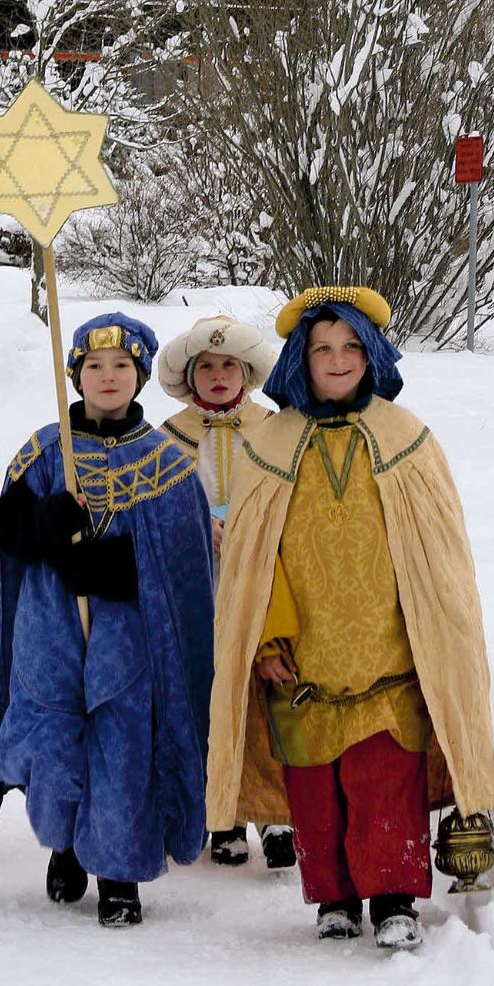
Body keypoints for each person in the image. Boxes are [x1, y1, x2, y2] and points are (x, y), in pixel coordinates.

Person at [206, 285, 494, 950]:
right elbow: (256, 557)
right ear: (297, 360)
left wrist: (431, 630)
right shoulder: (269, 443)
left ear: (371, 356)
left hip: (387, 646)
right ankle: (333, 898)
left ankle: (395, 897)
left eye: (349, 347)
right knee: (316, 790)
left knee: (384, 779)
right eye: (320, 349)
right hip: (301, 653)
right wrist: (267, 635)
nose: (336, 360)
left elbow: (437, 553)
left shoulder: (407, 436)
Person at [0, 312, 214, 927]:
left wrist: (115, 567)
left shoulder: (168, 465)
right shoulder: (45, 451)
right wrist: (46, 523)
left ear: (140, 376)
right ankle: (65, 844)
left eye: (121, 366)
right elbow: (5, 533)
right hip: (49, 633)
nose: (107, 376)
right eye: (94, 366)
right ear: (74, 375)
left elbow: (183, 570)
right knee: (53, 743)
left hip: (127, 638)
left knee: (122, 746)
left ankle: (119, 871)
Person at [156, 313, 295, 872]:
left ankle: (279, 815)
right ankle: (226, 815)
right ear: (190, 377)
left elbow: (292, 500)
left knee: (269, 691)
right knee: (213, 692)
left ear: (247, 373)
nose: (218, 376)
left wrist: (250, 526)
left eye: (228, 366)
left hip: (265, 581)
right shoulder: (167, 438)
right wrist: (195, 525)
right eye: (206, 366)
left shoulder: (275, 429)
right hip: (199, 587)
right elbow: (155, 508)